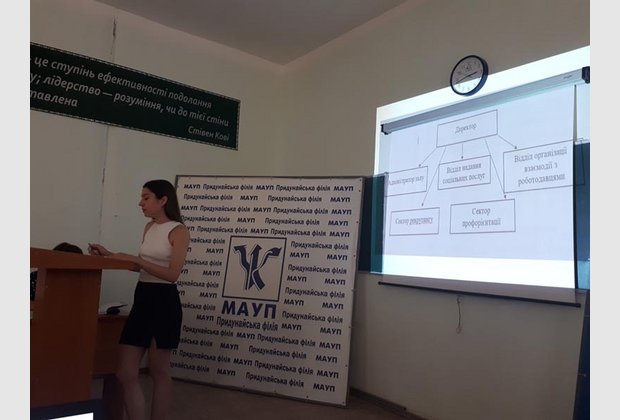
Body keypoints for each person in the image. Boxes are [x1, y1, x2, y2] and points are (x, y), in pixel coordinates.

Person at [88, 179, 190, 420]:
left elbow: (172, 274)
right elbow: (142, 268)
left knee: (159, 371)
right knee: (125, 372)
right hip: (143, 298)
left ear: (163, 200)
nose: (140, 203)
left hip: (164, 302)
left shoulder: (179, 231)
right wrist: (111, 256)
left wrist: (137, 259)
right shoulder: (149, 228)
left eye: (146, 198)